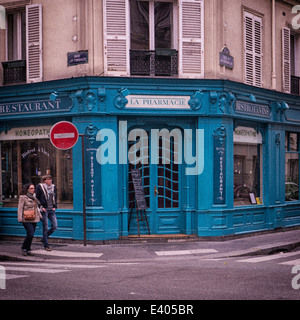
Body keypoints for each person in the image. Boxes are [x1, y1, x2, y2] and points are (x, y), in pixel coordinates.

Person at [18, 183, 42, 256]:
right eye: (31, 188)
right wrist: (19, 218)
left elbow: (36, 208)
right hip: (26, 218)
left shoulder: (34, 197)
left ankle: (28, 249)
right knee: (30, 233)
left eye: (34, 188)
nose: (33, 190)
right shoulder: (23, 197)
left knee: (31, 234)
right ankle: (24, 247)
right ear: (27, 189)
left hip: (34, 217)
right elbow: (20, 208)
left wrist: (40, 215)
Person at [36, 175, 57, 251]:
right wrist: (41, 207)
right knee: (45, 227)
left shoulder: (53, 187)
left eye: (51, 179)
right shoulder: (40, 187)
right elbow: (36, 197)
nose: (50, 181)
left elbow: (55, 197)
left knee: (54, 226)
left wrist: (55, 206)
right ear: (44, 180)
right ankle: (46, 245)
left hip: (51, 209)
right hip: (44, 210)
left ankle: (43, 239)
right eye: (48, 179)